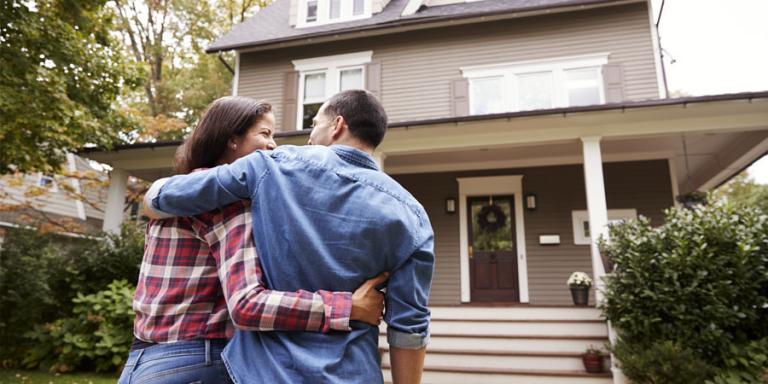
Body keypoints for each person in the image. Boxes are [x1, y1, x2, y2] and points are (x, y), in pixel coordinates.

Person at [144, 89, 434, 384]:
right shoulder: (413, 215)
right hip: (353, 374)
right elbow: (409, 327)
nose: (309, 136)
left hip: (265, 373)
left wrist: (153, 199)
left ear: (337, 125)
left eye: (315, 125)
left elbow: (165, 196)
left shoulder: (271, 166)